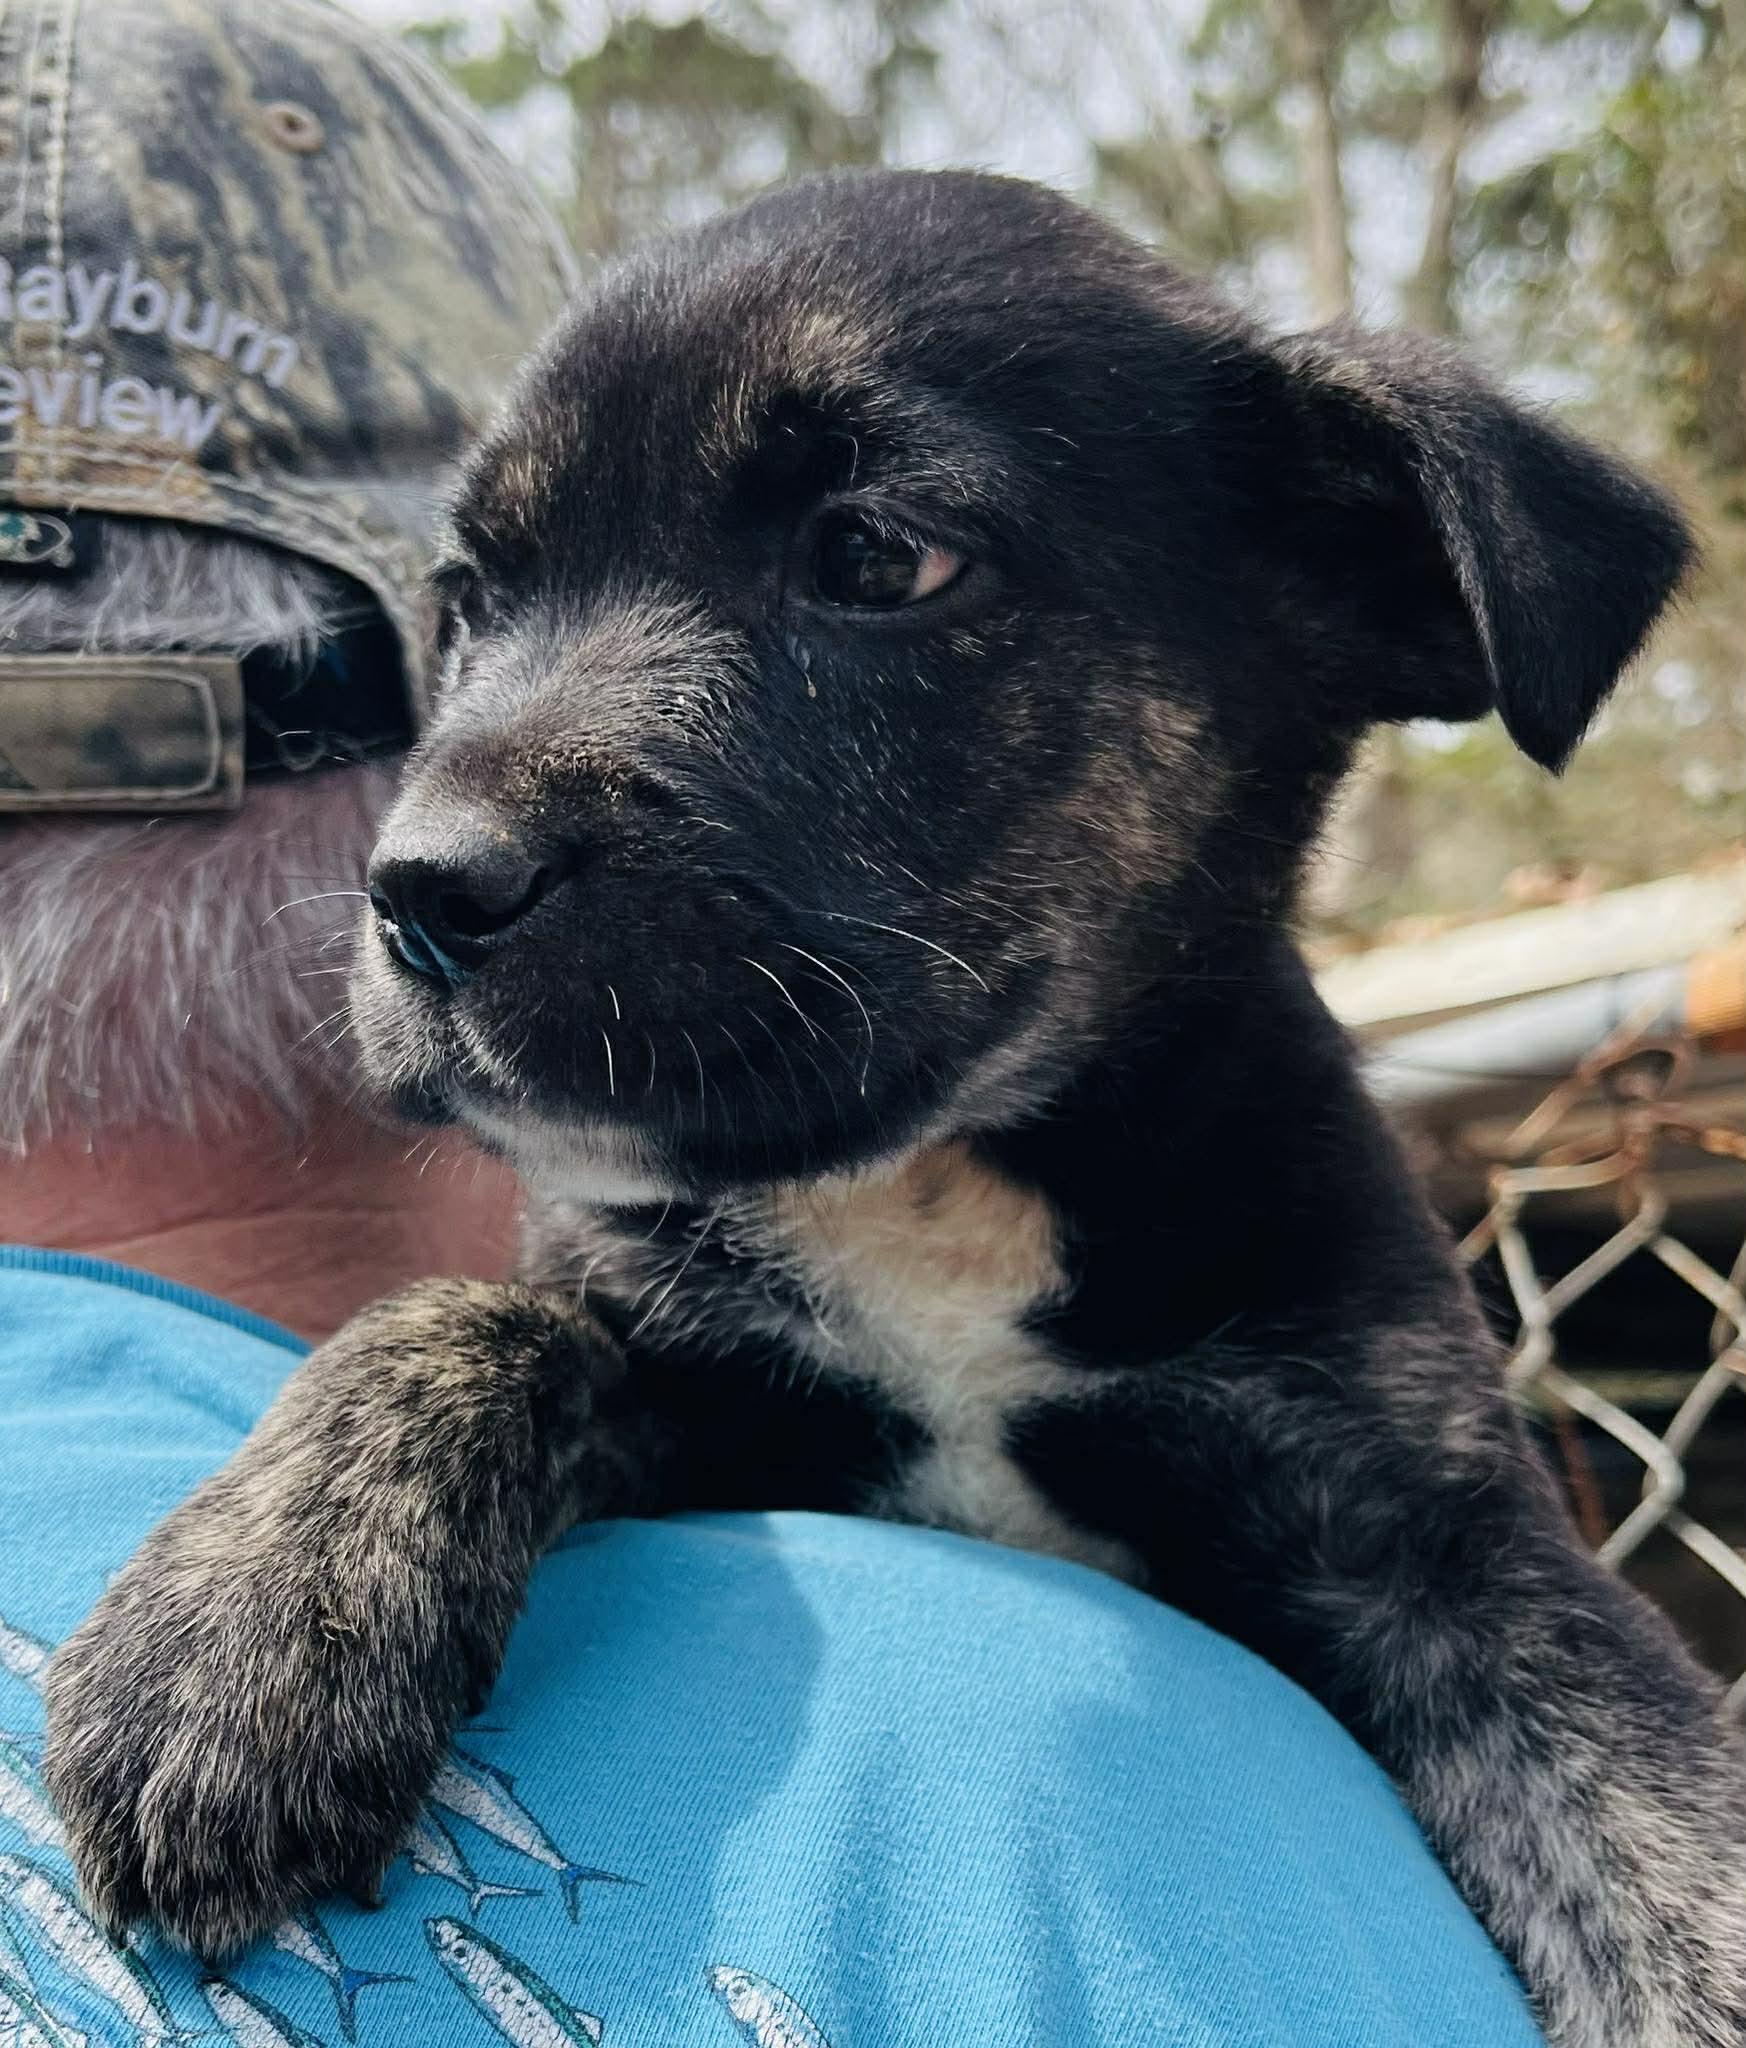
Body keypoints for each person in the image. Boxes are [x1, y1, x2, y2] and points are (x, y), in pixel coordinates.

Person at [0, 3, 1544, 2044]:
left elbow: (1495, 1625)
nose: (452, 822)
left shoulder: (1281, 1247)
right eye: (487, 603)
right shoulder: (1138, 1861)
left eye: (871, 560)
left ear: (1360, 587)